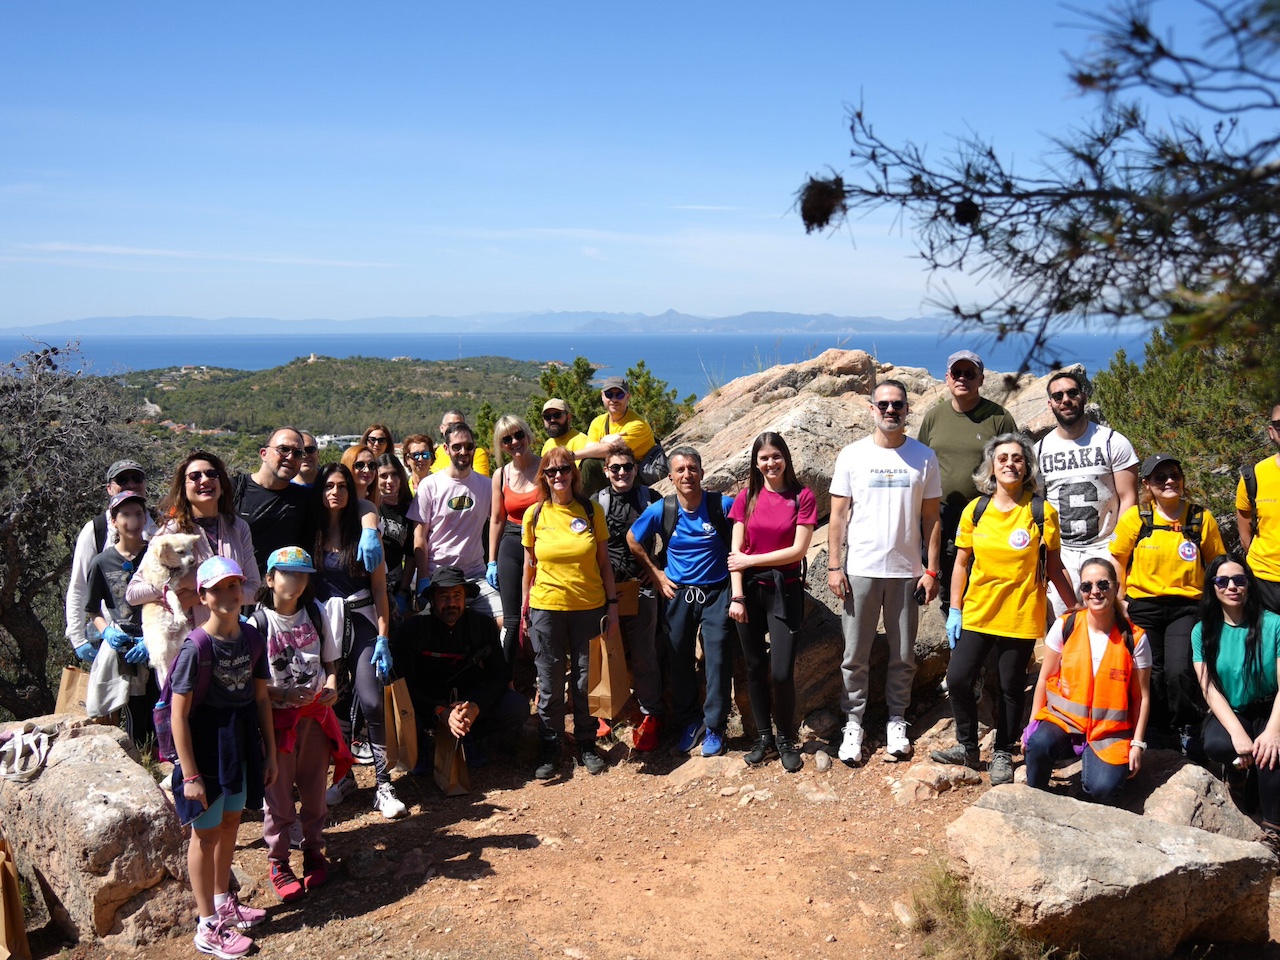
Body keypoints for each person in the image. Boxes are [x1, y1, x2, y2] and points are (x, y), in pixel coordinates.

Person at [930, 433, 1075, 784]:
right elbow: (962, 564)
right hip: (979, 611)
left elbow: (1054, 568)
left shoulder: (1041, 511)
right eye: (1002, 458)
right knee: (959, 678)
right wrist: (955, 609)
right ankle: (967, 747)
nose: (1010, 463)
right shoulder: (976, 510)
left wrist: (1078, 611)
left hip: (1020, 613)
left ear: (1026, 468)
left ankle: (1002, 751)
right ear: (991, 468)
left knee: (1012, 686)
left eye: (1017, 458)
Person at [827, 381, 942, 766]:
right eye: (884, 404)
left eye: (898, 405)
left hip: (907, 571)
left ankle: (897, 719)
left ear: (907, 410)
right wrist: (833, 565)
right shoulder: (852, 455)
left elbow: (931, 519)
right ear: (872, 409)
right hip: (860, 569)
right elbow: (838, 516)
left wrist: (931, 569)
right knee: (854, 654)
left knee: (904, 654)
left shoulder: (924, 457)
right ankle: (853, 722)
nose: (891, 410)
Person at [170, 556, 275, 960]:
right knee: (206, 832)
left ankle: (222, 901)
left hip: (241, 739)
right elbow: (179, 714)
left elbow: (261, 696)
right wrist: (191, 774)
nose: (229, 595)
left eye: (234, 586)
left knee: (231, 821)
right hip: (207, 745)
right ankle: (207, 924)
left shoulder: (251, 638)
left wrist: (268, 754)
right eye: (218, 589)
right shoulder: (196, 647)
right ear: (203, 597)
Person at [252, 546, 349, 902]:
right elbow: (254, 683)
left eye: (303, 574)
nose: (296, 580)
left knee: (313, 792)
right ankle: (278, 862)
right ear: (270, 579)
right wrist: (284, 693)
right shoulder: (257, 625)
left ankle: (313, 851)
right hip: (276, 722)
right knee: (278, 798)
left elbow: (331, 663)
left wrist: (332, 686)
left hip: (314, 718)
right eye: (288, 573)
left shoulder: (317, 612)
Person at [1111, 452, 1226, 747]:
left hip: (1185, 607)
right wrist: (1120, 598)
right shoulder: (1137, 518)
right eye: (1160, 477)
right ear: (1147, 484)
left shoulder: (1200, 518)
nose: (1169, 481)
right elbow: (1117, 559)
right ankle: (1154, 728)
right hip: (1143, 605)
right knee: (1150, 670)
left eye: (1174, 474)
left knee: (1179, 669)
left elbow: (1217, 563)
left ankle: (1187, 725)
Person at [628, 446, 736, 757]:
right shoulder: (664, 509)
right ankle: (691, 721)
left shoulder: (721, 505)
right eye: (680, 470)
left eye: (692, 468)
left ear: (701, 473)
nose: (687, 474)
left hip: (717, 592)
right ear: (672, 477)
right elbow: (633, 539)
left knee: (716, 660)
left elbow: (746, 530)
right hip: (678, 593)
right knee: (679, 660)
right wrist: (657, 574)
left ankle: (716, 726)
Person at [312, 464, 404, 819]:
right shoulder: (313, 532)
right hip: (324, 624)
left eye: (342, 486)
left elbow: (380, 588)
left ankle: (383, 784)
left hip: (362, 618)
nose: (335, 492)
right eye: (328, 486)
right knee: (333, 705)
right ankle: (345, 776)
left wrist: (383, 636)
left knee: (371, 699)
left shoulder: (364, 531)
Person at [522, 448, 618, 778]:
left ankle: (586, 743)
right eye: (551, 471)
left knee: (584, 681)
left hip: (589, 608)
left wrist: (613, 605)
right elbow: (529, 567)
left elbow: (604, 564)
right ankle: (551, 747)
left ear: (574, 474)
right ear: (544, 477)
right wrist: (525, 610)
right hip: (546, 607)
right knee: (548, 684)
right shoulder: (534, 515)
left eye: (564, 469)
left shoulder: (591, 511)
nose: (558, 475)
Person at [1025, 557, 1152, 803]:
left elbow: (1142, 697)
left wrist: (1137, 744)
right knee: (1038, 744)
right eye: (1087, 586)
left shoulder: (1135, 638)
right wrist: (1031, 726)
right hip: (1064, 721)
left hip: (1109, 732)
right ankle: (1036, 800)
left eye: (1103, 584)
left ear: (1115, 587)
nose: (1095, 591)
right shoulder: (1066, 625)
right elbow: (1044, 679)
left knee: (1102, 789)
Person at [729, 432, 818, 772]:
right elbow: (734, 554)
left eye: (776, 456)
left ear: (786, 458)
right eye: (764, 457)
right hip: (748, 592)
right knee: (753, 667)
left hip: (785, 590)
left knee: (781, 673)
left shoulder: (802, 496)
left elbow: (798, 550)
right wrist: (737, 595)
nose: (771, 463)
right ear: (756, 462)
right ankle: (764, 738)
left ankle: (785, 738)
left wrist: (751, 561)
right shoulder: (746, 498)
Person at [393, 566, 528, 767]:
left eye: (457, 595)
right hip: (426, 704)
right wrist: (439, 710)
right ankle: (423, 747)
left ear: (466, 598)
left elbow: (499, 675)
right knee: (402, 712)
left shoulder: (482, 625)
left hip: (467, 703)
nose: (451, 603)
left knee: (516, 706)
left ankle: (469, 737)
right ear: (432, 599)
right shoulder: (413, 629)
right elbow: (403, 685)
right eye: (444, 596)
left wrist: (475, 707)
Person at [916, 351, 1018, 610]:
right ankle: (956, 642)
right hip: (940, 516)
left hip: (985, 515)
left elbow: (1016, 466)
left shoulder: (999, 418)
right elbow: (920, 465)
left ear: (981, 379)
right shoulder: (934, 417)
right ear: (947, 378)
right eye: (957, 373)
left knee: (983, 584)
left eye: (969, 374)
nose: (963, 378)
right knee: (947, 585)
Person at [1036, 369, 1139, 616]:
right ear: (1050, 404)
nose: (1066, 400)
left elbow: (1129, 499)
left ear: (1083, 396)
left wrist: (1118, 549)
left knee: (1110, 619)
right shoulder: (1039, 451)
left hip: (1105, 545)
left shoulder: (1112, 441)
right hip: (1062, 553)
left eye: (1072, 393)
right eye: (1058, 396)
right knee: (1066, 623)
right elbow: (1037, 507)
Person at [1193, 554, 1280, 844]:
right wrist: (1238, 733)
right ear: (1212, 587)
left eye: (1239, 580)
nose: (1232, 586)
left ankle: (1272, 829)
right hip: (1234, 710)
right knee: (1219, 744)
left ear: (1249, 585)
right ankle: (1236, 774)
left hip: (1271, 708)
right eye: (1223, 581)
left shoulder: (1274, 624)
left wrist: (1273, 732)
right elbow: (1210, 690)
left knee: (1271, 757)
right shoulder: (1203, 631)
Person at [127, 451, 262, 632]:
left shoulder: (238, 528)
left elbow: (254, 590)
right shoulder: (169, 534)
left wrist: (199, 595)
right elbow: (133, 593)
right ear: (184, 487)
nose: (205, 480)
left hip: (229, 636)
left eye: (211, 474)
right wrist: (177, 582)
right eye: (194, 476)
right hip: (185, 641)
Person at [592, 443, 664, 751]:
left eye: (628, 467)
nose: (622, 473)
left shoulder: (652, 499)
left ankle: (650, 718)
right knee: (603, 653)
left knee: (645, 655)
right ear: (606, 471)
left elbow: (674, 537)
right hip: (606, 590)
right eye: (616, 468)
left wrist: (659, 567)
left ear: (636, 469)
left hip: (641, 587)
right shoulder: (597, 503)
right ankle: (602, 716)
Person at [409, 421, 502, 624]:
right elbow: (419, 536)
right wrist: (424, 578)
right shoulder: (430, 486)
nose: (463, 451)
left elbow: (499, 522)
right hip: (438, 575)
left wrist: (493, 563)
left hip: (475, 575)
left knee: (504, 622)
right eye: (457, 447)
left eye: (468, 446)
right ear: (446, 449)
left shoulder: (487, 486)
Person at [66, 459, 157, 661]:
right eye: (122, 479)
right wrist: (78, 639)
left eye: (137, 478)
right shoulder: (95, 530)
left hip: (157, 637)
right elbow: (79, 585)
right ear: (109, 488)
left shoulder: (162, 528)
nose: (131, 484)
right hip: (112, 639)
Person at [85, 490, 155, 745]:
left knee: (159, 704)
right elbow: (93, 609)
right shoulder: (102, 562)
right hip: (125, 646)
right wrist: (107, 632)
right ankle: (140, 759)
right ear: (113, 521)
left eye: (139, 514)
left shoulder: (155, 555)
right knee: (133, 709)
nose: (133, 520)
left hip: (156, 642)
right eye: (125, 514)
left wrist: (152, 639)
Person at [487, 415, 540, 679]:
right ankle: (505, 682)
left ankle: (545, 680)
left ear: (528, 434)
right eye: (506, 439)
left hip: (542, 543)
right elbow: (496, 519)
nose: (515, 442)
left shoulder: (546, 467)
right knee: (511, 619)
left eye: (518, 435)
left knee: (540, 614)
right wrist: (492, 560)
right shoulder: (501, 475)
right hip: (511, 540)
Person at [577, 377, 659, 495]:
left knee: (590, 465)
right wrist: (605, 440)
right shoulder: (598, 422)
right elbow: (591, 450)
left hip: (633, 475)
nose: (614, 399)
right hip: (612, 472)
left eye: (619, 395)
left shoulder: (638, 424)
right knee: (588, 462)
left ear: (628, 397)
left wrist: (572, 455)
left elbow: (610, 450)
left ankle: (580, 506)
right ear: (602, 396)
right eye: (609, 394)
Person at [1237, 402, 1280, 614]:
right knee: (1266, 645)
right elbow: (1245, 532)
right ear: (1271, 432)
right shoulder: (1253, 476)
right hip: (1263, 581)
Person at [375, 453, 417, 617]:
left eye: (394, 475)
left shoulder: (410, 509)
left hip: (395, 584)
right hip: (368, 585)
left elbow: (411, 555)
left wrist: (403, 591)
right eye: (383, 476)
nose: (390, 481)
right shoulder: (368, 506)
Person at [431, 410, 491, 476]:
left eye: (458, 424)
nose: (454, 428)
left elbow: (480, 483)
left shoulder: (476, 454)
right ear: (441, 428)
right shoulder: (434, 453)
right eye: (450, 424)